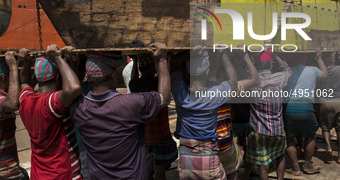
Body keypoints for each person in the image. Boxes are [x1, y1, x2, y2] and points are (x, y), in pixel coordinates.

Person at [69, 42, 171, 179]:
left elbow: (72, 89)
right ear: (112, 76)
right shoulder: (130, 103)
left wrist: (70, 63)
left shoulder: (79, 108)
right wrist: (162, 60)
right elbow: (164, 98)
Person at [170, 46, 237, 179]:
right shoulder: (214, 94)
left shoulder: (180, 94)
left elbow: (173, 63)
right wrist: (223, 55)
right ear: (207, 72)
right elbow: (233, 81)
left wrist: (190, 52)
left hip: (185, 159)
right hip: (208, 158)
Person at [18, 45, 82, 180]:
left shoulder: (26, 100)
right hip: (62, 174)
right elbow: (74, 88)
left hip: (38, 175)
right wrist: (58, 58)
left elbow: (24, 81)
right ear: (59, 78)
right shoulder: (51, 103)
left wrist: (26, 62)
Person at [210, 48, 260, 180]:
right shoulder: (226, 90)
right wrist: (245, 55)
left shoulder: (193, 91)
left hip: (206, 144)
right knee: (232, 170)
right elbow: (255, 80)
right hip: (226, 139)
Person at [129, 52, 178, 180]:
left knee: (148, 169)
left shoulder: (135, 86)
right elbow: (168, 77)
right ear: (152, 67)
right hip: (160, 135)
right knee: (160, 170)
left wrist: (134, 61)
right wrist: (166, 60)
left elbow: (132, 79)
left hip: (145, 136)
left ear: (140, 69)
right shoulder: (158, 84)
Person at [245, 50, 292, 180]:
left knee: (263, 162)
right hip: (278, 128)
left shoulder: (251, 82)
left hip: (260, 130)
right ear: (270, 65)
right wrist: (276, 55)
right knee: (280, 155)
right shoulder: (280, 77)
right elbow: (289, 71)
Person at [283, 52, 327, 175]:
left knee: (289, 138)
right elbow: (324, 75)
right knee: (310, 136)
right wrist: (319, 58)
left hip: (289, 108)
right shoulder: (312, 70)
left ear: (291, 59)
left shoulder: (287, 72)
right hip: (307, 107)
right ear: (306, 59)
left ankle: (296, 167)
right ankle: (307, 165)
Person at [0, 53, 29, 180]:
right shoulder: (2, 99)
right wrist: (13, 66)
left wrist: (25, 62)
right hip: (5, 172)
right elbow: (13, 104)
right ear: (4, 78)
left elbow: (26, 87)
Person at [317, 52, 340, 164]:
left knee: (325, 127)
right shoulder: (338, 69)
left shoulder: (319, 72)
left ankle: (329, 148)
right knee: (339, 129)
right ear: (331, 58)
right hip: (339, 101)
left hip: (325, 101)